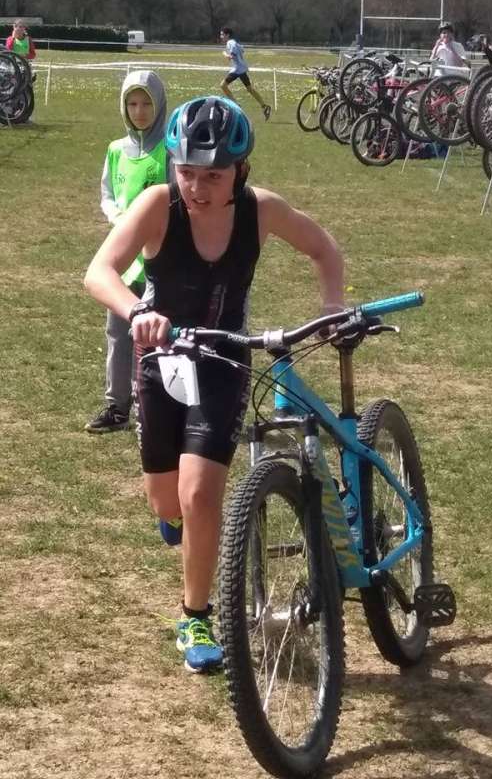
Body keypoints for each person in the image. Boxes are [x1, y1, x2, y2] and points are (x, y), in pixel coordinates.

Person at [84, 96, 345, 672]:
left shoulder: (261, 210)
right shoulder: (158, 206)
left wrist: (331, 305)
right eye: (187, 172)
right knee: (167, 499)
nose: (197, 187)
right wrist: (136, 311)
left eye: (213, 176)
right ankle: (176, 517)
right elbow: (99, 271)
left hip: (224, 359)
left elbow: (324, 248)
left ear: (240, 171)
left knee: (201, 494)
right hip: (160, 361)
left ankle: (195, 616)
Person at [86, 70, 168, 434]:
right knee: (118, 331)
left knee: (158, 333)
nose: (139, 111)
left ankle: (155, 404)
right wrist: (117, 217)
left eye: (146, 103)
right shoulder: (116, 149)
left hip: (157, 258)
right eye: (132, 104)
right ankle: (117, 406)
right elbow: (107, 194)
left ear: (159, 104)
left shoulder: (170, 150)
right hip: (123, 259)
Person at [219, 27, 271, 120]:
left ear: (227, 35)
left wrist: (225, 54)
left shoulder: (230, 43)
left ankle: (236, 104)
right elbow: (242, 50)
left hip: (237, 70)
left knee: (223, 85)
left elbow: (232, 56)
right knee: (250, 89)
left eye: (222, 34)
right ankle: (264, 106)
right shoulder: (235, 42)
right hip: (242, 69)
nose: (221, 36)